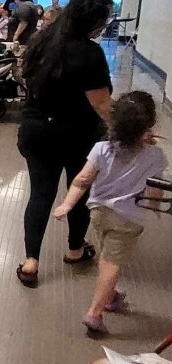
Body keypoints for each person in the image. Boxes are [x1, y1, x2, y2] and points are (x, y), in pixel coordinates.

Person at [16, 0, 116, 288]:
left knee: (40, 195)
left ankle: (31, 262)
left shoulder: (41, 42)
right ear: (94, 21)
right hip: (77, 134)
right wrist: (130, 129)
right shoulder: (90, 52)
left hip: (36, 130)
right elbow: (101, 103)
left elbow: (26, 80)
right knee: (80, 190)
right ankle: (75, 250)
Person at [53, 91, 167, 334]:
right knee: (112, 261)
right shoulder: (156, 156)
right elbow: (155, 190)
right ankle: (94, 313)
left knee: (107, 255)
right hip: (128, 219)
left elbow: (82, 180)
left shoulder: (101, 149)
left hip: (98, 213)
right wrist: (156, 208)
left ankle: (112, 295)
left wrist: (67, 204)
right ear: (149, 125)